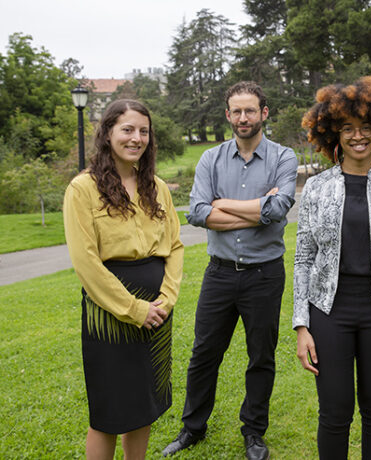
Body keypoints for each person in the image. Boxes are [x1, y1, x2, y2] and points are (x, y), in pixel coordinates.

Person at [162, 82, 298, 459]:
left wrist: (225, 205)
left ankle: (254, 433)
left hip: (264, 276)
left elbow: (279, 210)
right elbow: (198, 213)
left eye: (250, 111)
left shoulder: (283, 157)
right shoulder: (211, 159)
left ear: (264, 113)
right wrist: (256, 210)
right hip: (219, 274)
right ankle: (193, 427)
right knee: (204, 353)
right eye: (236, 111)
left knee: (261, 357)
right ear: (228, 115)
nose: (243, 118)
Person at [293, 76, 371, 460]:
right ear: (333, 134)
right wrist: (301, 324)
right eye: (348, 128)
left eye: (367, 128)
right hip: (329, 310)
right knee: (334, 411)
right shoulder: (316, 189)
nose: (358, 136)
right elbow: (303, 258)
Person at [63, 99, 184, 460]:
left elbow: (174, 246)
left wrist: (166, 298)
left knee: (143, 405)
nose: (136, 138)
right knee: (109, 413)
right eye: (127, 130)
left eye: (143, 131)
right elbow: (85, 262)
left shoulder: (157, 187)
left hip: (157, 313)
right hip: (111, 314)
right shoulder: (82, 189)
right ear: (108, 133)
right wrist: (133, 309)